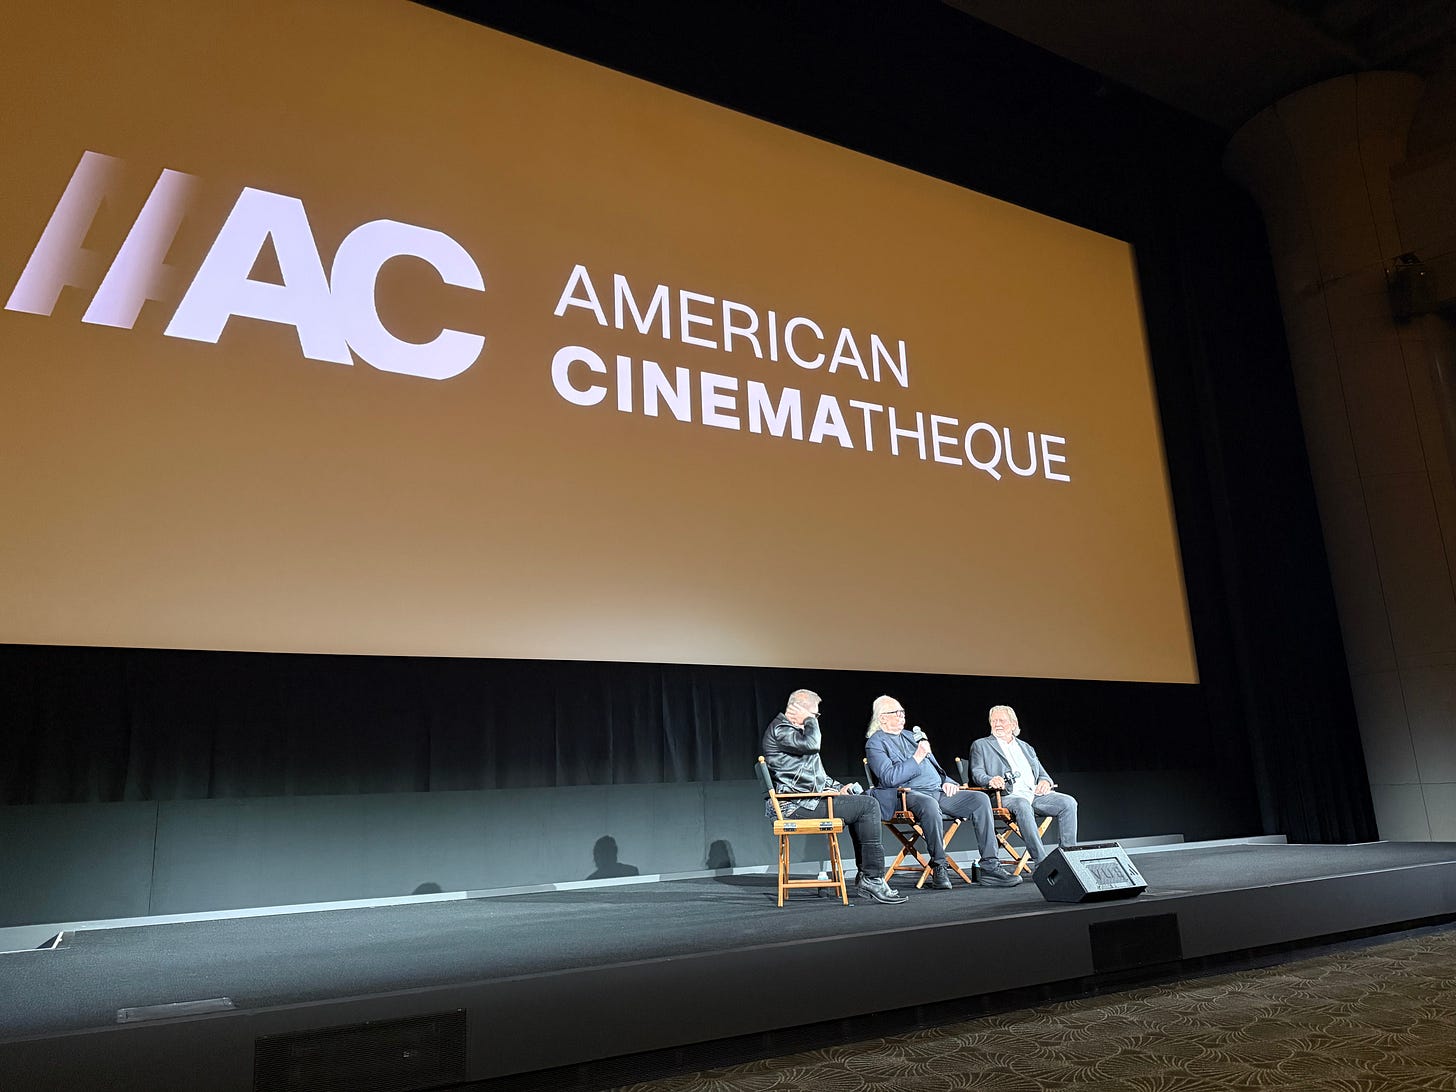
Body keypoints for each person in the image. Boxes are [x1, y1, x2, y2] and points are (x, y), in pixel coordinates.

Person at [762, 689, 909, 905]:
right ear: (799, 708)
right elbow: (813, 746)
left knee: (862, 803)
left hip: (806, 799)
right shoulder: (781, 729)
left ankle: (867, 876)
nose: (816, 719)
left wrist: (839, 788)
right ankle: (873, 878)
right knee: (868, 806)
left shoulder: (791, 731)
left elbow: (816, 775)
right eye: (815, 714)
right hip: (796, 805)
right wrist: (810, 720)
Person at [864, 696, 1021, 890]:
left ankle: (990, 866)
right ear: (882, 718)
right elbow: (888, 778)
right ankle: (939, 865)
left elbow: (936, 769)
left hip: (937, 792)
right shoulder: (876, 742)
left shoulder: (911, 737)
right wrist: (918, 756)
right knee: (928, 804)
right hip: (905, 796)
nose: (901, 716)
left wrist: (948, 782)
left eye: (902, 712)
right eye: (895, 713)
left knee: (979, 799)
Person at [969, 705, 1079, 868]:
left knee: (1068, 802)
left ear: (1013, 724)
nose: (997, 724)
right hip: (1005, 797)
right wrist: (990, 780)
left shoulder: (1026, 747)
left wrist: (1044, 782)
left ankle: (1070, 858)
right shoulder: (981, 745)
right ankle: (1041, 862)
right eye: (993, 720)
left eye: (1001, 720)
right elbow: (977, 773)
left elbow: (1043, 774)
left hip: (1034, 795)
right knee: (1022, 804)